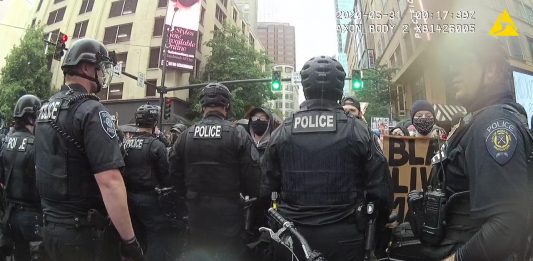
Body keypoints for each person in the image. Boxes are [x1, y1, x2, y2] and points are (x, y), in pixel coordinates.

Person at [262, 56, 393, 261]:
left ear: (305, 88)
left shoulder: (282, 131)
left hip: (292, 239)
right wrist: (375, 233)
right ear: (339, 89)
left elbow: (265, 190)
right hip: (347, 240)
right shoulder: (359, 130)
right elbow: (381, 193)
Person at [415, 33, 533, 260]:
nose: (453, 72)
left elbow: (506, 225)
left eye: (462, 62)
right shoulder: (479, 120)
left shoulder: (494, 124)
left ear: (491, 70)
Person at [34, 38, 143, 261]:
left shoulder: (45, 108)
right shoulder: (91, 109)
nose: (103, 74)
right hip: (82, 234)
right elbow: (110, 181)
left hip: (50, 228)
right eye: (100, 68)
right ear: (85, 67)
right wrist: (130, 241)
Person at [169, 83, 258, 260]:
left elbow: (173, 174)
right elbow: (253, 179)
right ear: (227, 106)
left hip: (196, 212)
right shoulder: (237, 134)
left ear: (202, 107)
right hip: (229, 213)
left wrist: (188, 195)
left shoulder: (185, 135)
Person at [123, 104, 180, 261]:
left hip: (129, 198)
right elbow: (167, 176)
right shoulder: (157, 146)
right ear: (155, 122)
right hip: (150, 199)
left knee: (137, 236)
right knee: (157, 237)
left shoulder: (126, 144)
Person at [0, 95, 42, 261]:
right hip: (33, 218)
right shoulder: (36, 144)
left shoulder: (6, 142)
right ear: (31, 118)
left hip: (10, 214)